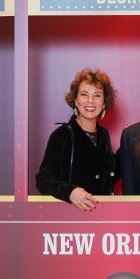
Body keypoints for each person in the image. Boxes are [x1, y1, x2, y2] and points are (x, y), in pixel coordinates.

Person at [36, 69, 119, 211]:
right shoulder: (63, 134)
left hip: (103, 214)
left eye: (97, 95)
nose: (90, 101)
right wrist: (69, 192)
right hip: (73, 217)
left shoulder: (103, 134)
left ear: (104, 103)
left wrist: (131, 142)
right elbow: (43, 181)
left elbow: (107, 176)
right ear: (75, 100)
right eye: (84, 94)